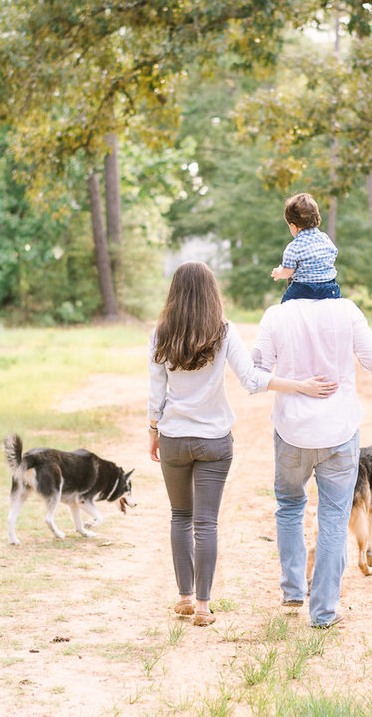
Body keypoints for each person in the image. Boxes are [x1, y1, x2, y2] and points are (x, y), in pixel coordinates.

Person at [147, 261, 337, 627]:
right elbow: (251, 379)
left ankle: (184, 597)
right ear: (210, 294)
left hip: (174, 438)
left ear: (175, 293)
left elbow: (156, 393)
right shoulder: (223, 331)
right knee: (205, 522)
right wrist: (300, 385)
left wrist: (153, 431)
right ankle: (203, 606)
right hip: (214, 440)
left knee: (180, 517)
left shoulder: (160, 334)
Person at [251, 294, 372, 628]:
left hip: (292, 431)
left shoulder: (276, 314)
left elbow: (256, 370)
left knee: (289, 504)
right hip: (339, 433)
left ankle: (294, 588)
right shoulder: (347, 310)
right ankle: (324, 612)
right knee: (334, 518)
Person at [270, 192, 342, 303]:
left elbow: (288, 272)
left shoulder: (294, 247)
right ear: (318, 219)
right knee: (337, 303)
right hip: (330, 288)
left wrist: (278, 273)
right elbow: (334, 253)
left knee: (285, 305)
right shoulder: (325, 238)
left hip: (304, 289)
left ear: (293, 226)